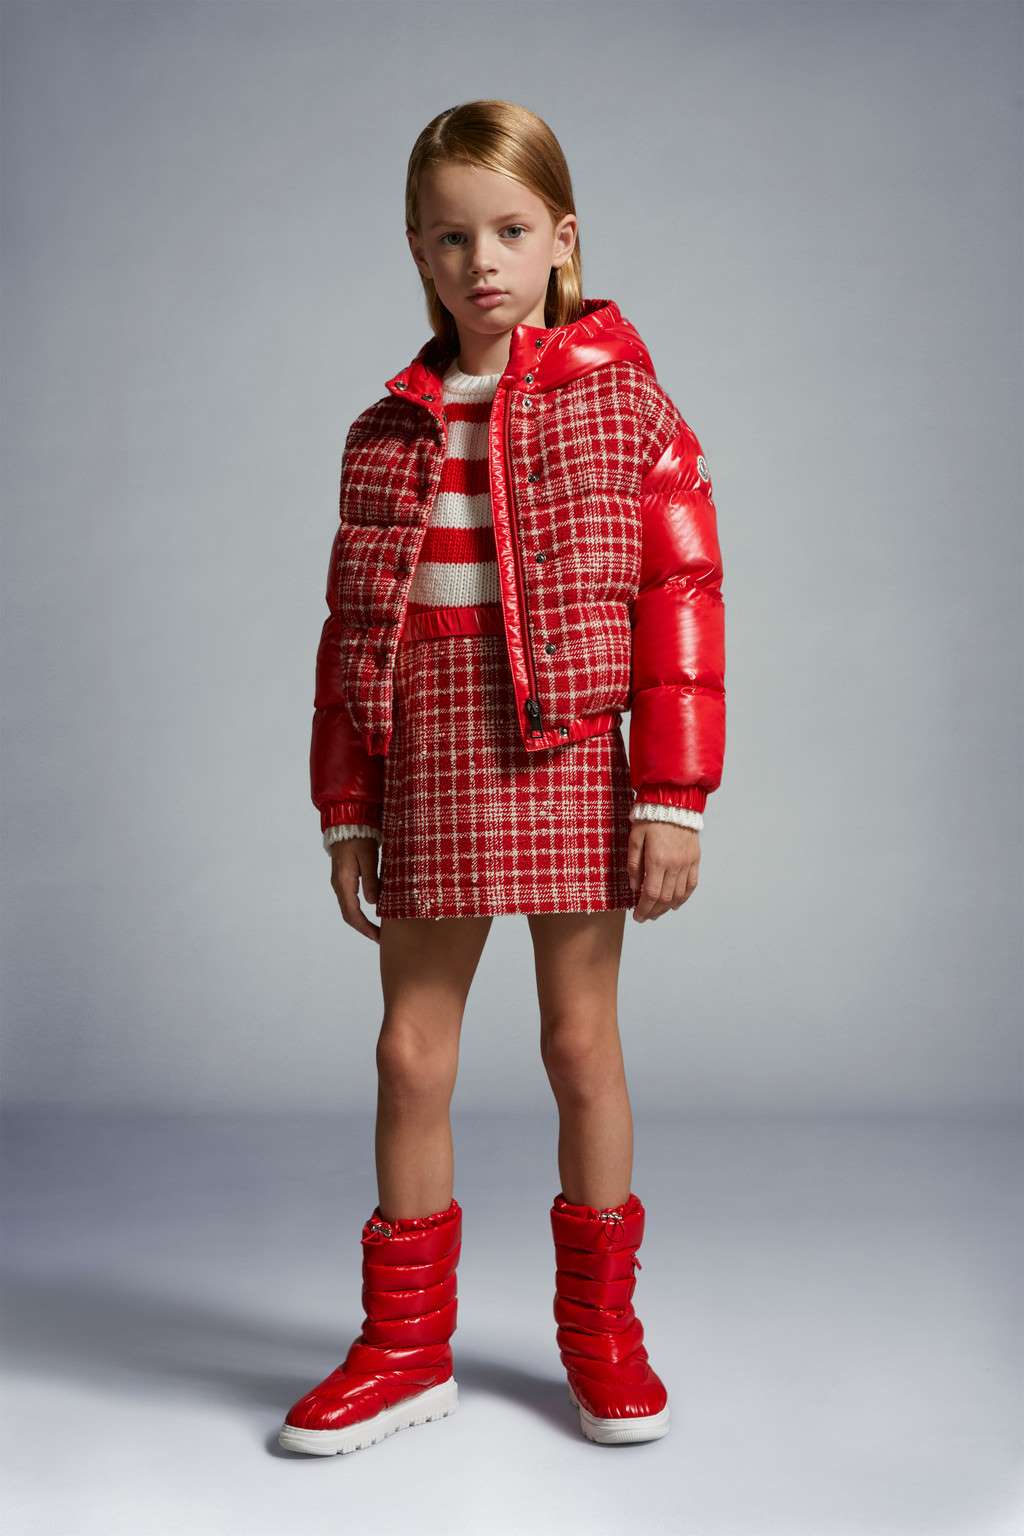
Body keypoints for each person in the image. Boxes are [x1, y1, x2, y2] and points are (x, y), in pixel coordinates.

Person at [278, 98, 726, 1457]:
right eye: (450, 237)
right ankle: (404, 1346)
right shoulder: (383, 434)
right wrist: (346, 809)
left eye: (511, 230)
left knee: (579, 1045)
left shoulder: (627, 405)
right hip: (430, 760)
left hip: (571, 752)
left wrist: (672, 799)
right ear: (418, 253)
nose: (482, 260)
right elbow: (351, 634)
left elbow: (682, 600)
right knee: (409, 1051)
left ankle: (603, 1335)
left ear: (562, 238)